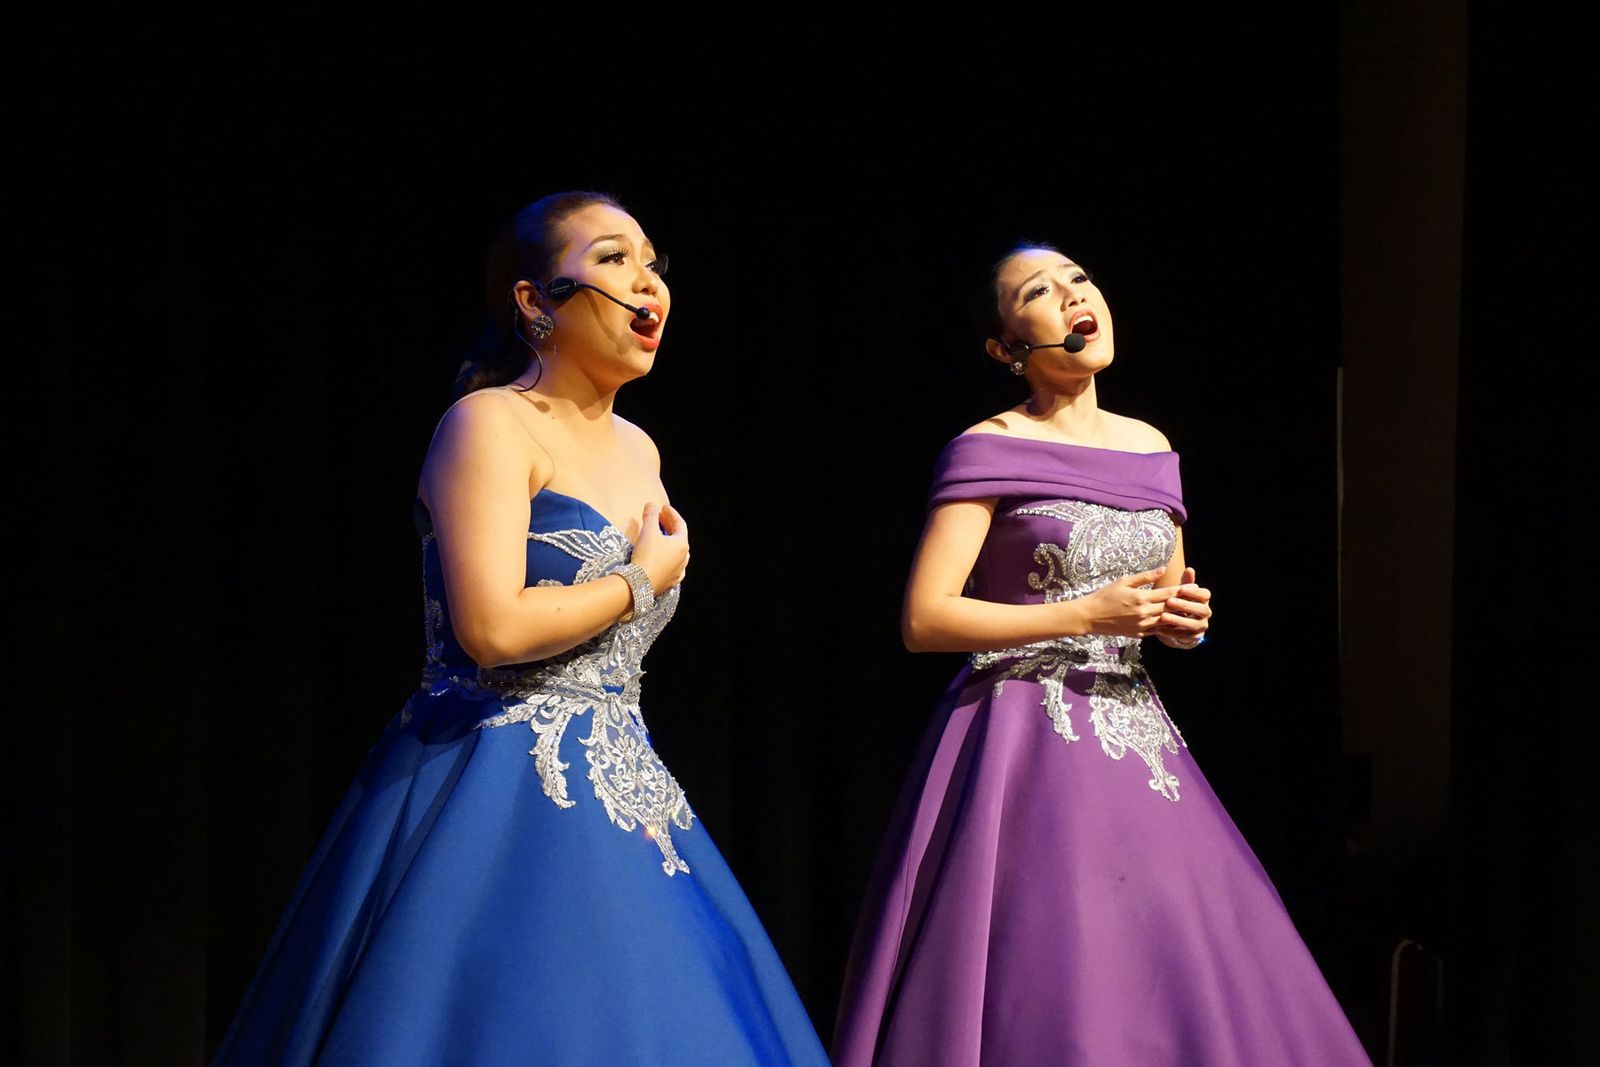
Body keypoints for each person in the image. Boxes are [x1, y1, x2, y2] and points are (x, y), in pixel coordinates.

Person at [215, 191, 829, 1066]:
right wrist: (637, 579)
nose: (648, 282)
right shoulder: (490, 423)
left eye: (654, 262)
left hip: (625, 782)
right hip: (488, 773)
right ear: (535, 301)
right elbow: (492, 627)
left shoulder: (640, 448)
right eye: (615, 259)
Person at [831, 245, 1370, 1065]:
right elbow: (926, 617)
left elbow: (1166, 593)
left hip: (1135, 727)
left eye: (1080, 280)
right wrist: (1083, 613)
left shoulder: (1151, 448)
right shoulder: (988, 445)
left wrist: (1184, 622)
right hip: (1021, 738)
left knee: (1173, 951)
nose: (1072, 296)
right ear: (1006, 345)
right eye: (1038, 293)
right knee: (1054, 950)